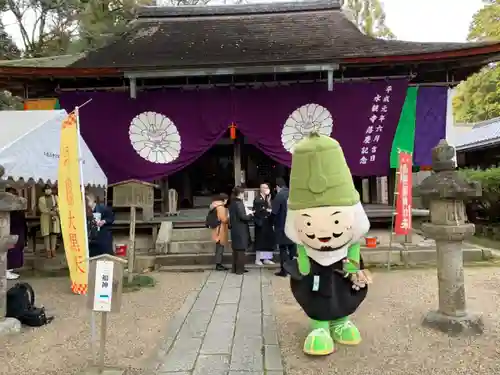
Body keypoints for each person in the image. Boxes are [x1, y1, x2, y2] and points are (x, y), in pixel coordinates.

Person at [272, 178, 296, 277]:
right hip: (293, 226)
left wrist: (272, 223)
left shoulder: (279, 196)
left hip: (282, 226)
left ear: (278, 187)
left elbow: (274, 212)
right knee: (292, 248)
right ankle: (293, 269)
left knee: (283, 249)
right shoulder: (293, 194)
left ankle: (284, 270)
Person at [228, 186, 253, 274]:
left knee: (236, 250)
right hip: (241, 229)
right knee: (241, 251)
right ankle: (240, 269)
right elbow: (243, 216)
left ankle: (235, 268)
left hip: (235, 229)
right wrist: (251, 215)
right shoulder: (239, 203)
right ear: (240, 194)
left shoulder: (232, 203)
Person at [6, 187, 27, 280]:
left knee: (17, 250)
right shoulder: (7, 207)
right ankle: (6, 270)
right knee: (10, 251)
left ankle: (10, 269)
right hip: (10, 231)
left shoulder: (18, 206)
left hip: (19, 230)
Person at [252, 183, 275, 266]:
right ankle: (258, 259)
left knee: (267, 240)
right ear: (261, 189)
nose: (267, 189)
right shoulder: (258, 199)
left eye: (267, 187)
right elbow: (259, 211)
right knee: (260, 241)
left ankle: (266, 258)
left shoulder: (267, 199)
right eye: (265, 188)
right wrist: (267, 211)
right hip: (261, 223)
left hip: (267, 223)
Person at [86, 193, 115, 257]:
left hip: (104, 236)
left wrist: (104, 221)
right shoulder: (86, 211)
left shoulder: (102, 208)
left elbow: (112, 217)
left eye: (87, 201)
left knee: (106, 256)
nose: (86, 203)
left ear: (92, 200)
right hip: (93, 238)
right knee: (93, 256)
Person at [38, 183, 60, 258]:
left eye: (49, 188)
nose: (48, 190)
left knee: (54, 234)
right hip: (45, 217)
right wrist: (50, 212)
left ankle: (53, 250)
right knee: (46, 235)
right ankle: (48, 251)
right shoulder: (41, 199)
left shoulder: (55, 197)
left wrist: (56, 210)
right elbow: (42, 208)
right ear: (44, 191)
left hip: (54, 217)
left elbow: (59, 205)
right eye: (46, 189)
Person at [210, 193, 229, 271]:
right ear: (224, 200)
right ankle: (218, 264)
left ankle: (218, 263)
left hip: (216, 229)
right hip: (220, 230)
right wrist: (228, 217)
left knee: (218, 247)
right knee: (220, 248)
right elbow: (224, 219)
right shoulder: (221, 207)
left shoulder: (214, 206)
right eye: (226, 200)